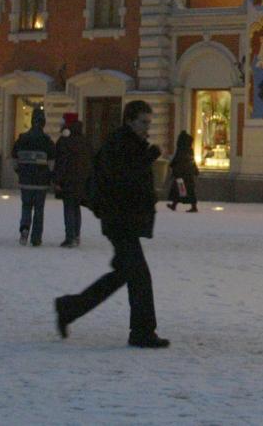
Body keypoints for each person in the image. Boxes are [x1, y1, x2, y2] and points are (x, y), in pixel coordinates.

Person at [55, 100, 169, 349]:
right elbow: (121, 179)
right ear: (129, 121)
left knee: (124, 274)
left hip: (123, 220)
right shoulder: (120, 144)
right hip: (119, 221)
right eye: (143, 122)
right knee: (139, 276)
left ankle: (69, 308)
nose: (147, 128)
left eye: (149, 123)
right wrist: (148, 158)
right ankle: (142, 332)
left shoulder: (130, 143)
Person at [12, 108, 56, 247]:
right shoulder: (47, 141)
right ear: (43, 123)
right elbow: (52, 163)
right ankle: (36, 238)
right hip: (41, 182)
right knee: (39, 209)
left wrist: (20, 171)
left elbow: (14, 159)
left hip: (25, 181)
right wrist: (50, 175)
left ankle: (25, 228)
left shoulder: (22, 139)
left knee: (26, 206)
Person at [52, 114, 91, 248]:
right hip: (81, 180)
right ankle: (76, 235)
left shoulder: (64, 141)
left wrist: (57, 180)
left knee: (69, 207)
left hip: (68, 180)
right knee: (76, 207)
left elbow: (61, 162)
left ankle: (70, 237)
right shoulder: (84, 140)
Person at [166, 130, 199, 212]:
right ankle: (175, 205)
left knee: (180, 189)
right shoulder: (189, 149)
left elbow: (177, 159)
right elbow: (192, 161)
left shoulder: (181, 149)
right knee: (183, 189)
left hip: (181, 173)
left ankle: (191, 206)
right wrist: (195, 169)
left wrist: (173, 166)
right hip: (187, 174)